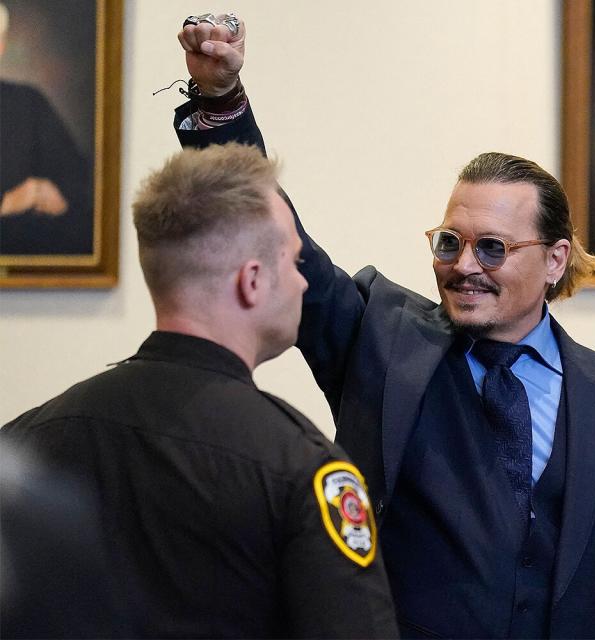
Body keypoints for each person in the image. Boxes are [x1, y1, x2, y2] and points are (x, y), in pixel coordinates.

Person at [173, 15, 595, 639]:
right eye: (450, 242)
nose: (464, 266)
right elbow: (274, 235)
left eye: (494, 249)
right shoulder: (380, 340)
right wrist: (220, 103)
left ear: (555, 260)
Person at [0, 143, 398, 638]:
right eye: (295, 263)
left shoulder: (24, 445)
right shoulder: (302, 468)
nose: (302, 284)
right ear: (252, 281)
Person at [0, 1, 94, 255]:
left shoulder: (27, 103)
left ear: (3, 45)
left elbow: (76, 182)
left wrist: (46, 191)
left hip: (30, 261)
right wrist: (7, 202)